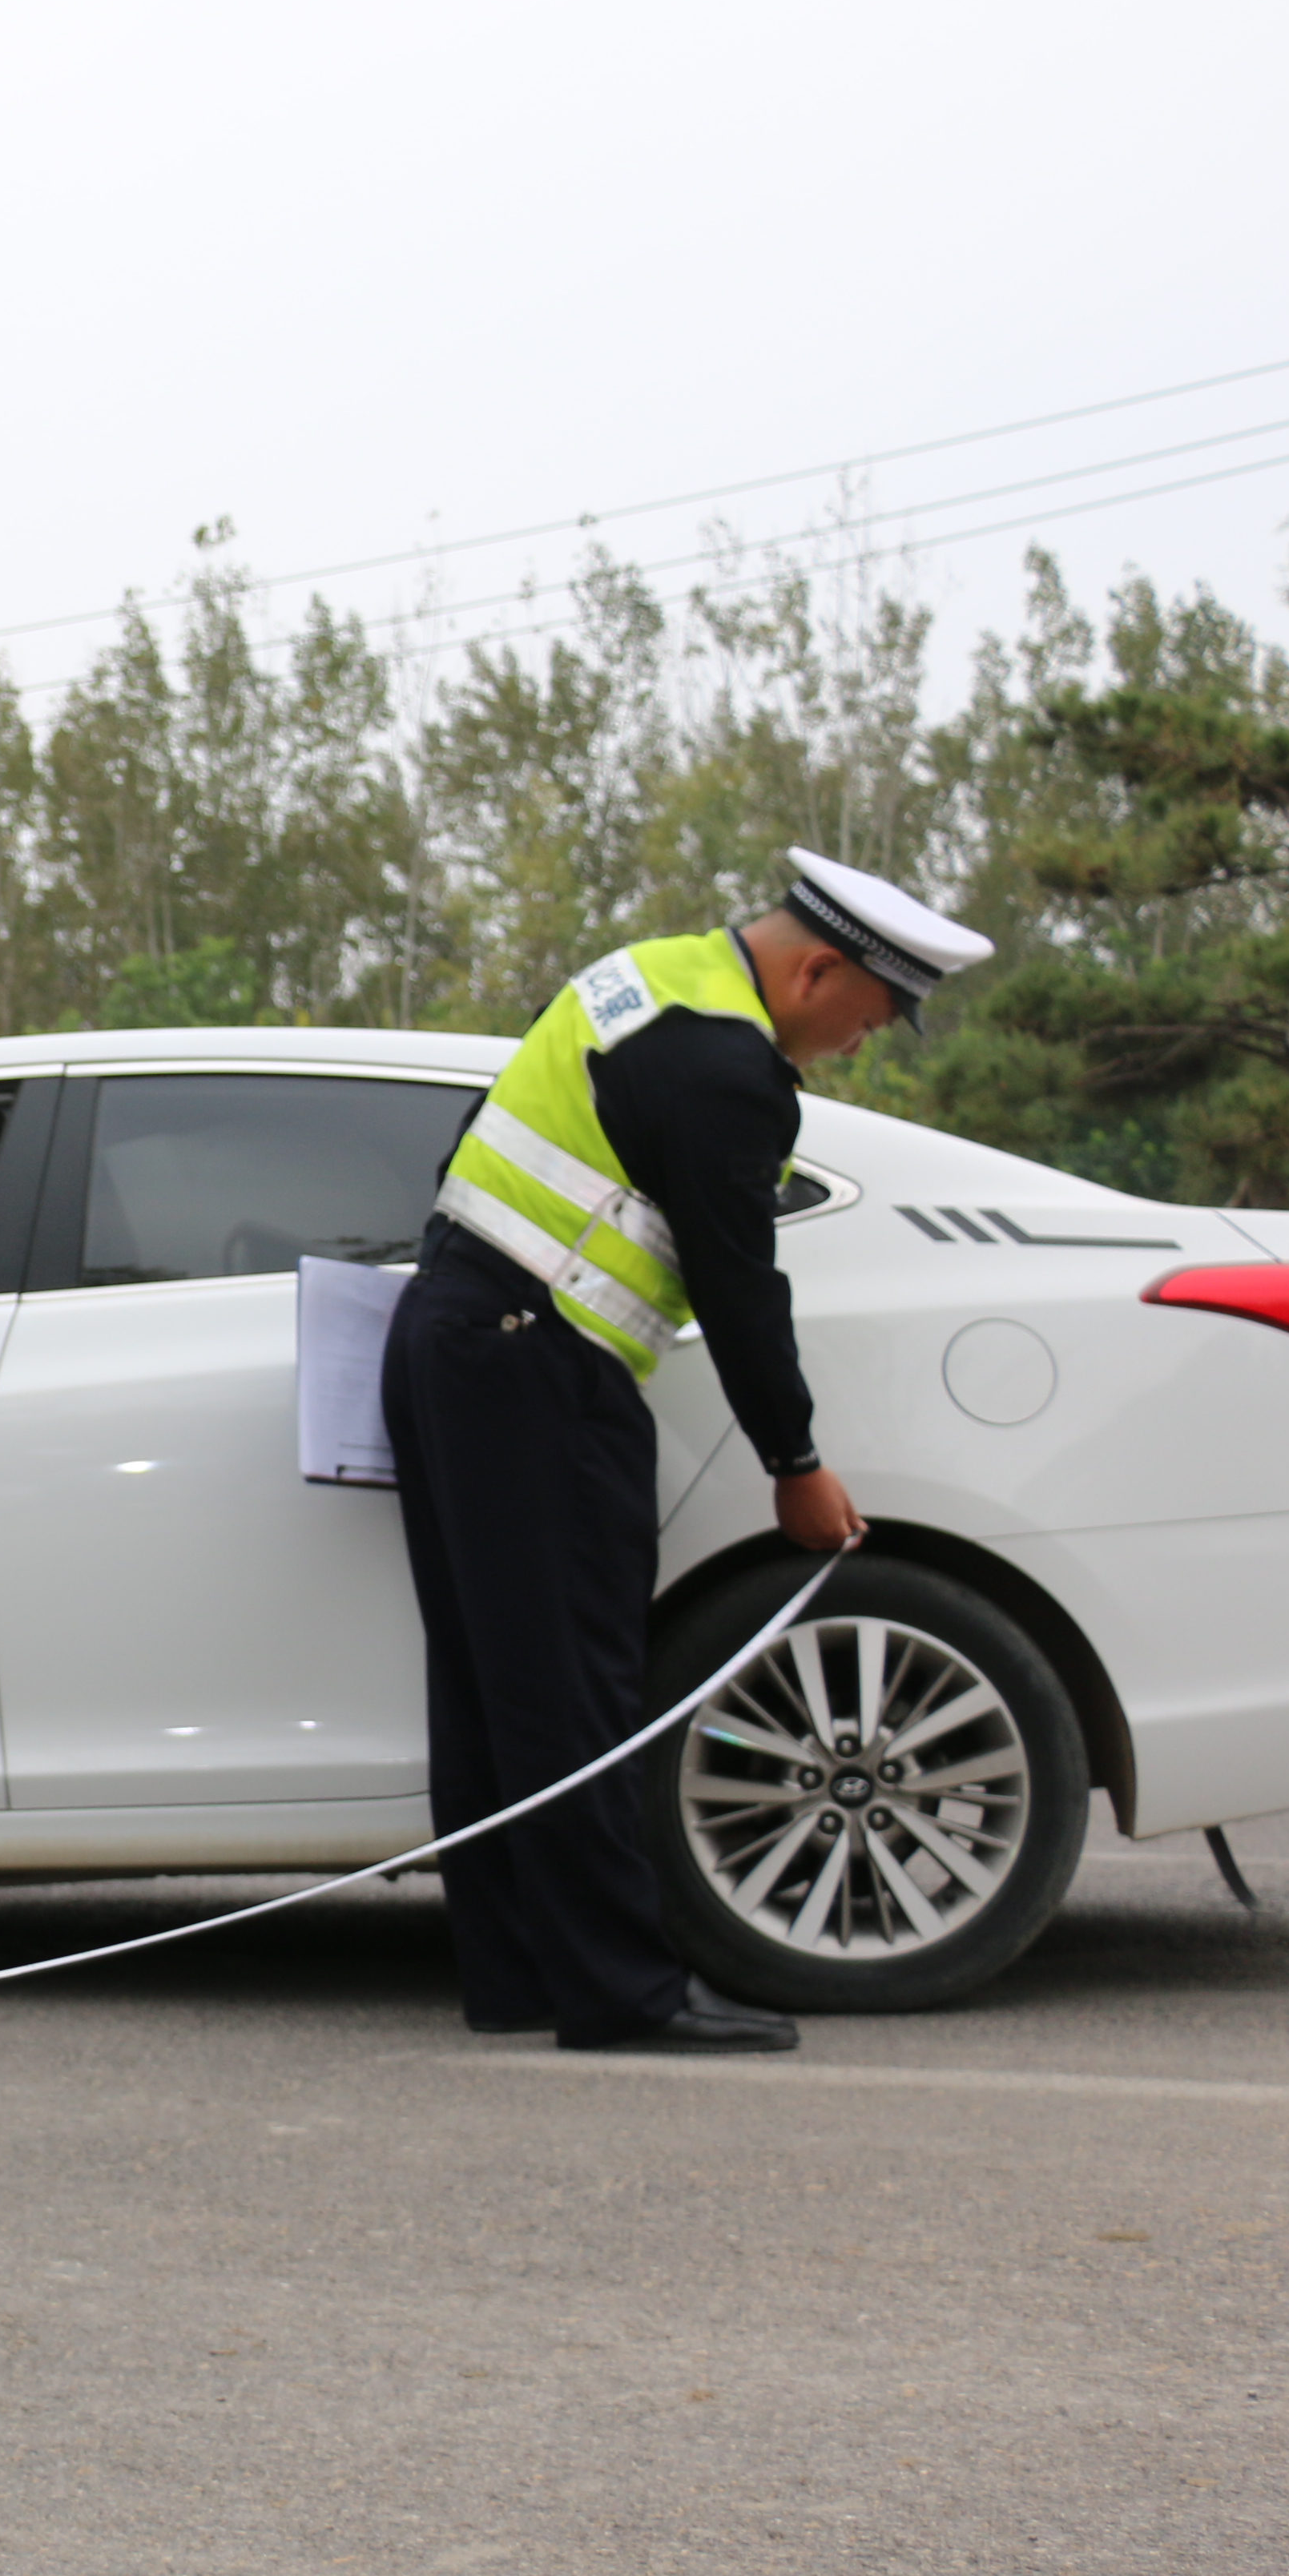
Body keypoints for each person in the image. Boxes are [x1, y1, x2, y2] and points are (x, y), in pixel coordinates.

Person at [379, 849, 991, 2054]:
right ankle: (623, 1993)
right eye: (867, 1019)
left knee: (492, 1684)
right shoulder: (727, 1071)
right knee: (577, 1692)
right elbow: (738, 1281)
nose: (856, 1046)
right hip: (537, 1369)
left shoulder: (643, 978)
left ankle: (517, 1975)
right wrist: (796, 1461)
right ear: (818, 969)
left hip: (452, 1338)